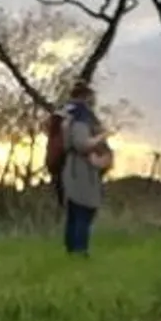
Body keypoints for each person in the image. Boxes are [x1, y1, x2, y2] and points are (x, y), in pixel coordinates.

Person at [58, 80, 113, 256]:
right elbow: (81, 143)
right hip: (81, 169)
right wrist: (103, 136)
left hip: (73, 168)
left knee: (75, 211)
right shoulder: (81, 118)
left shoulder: (67, 115)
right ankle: (80, 250)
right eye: (92, 98)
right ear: (86, 98)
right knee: (84, 210)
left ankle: (71, 249)